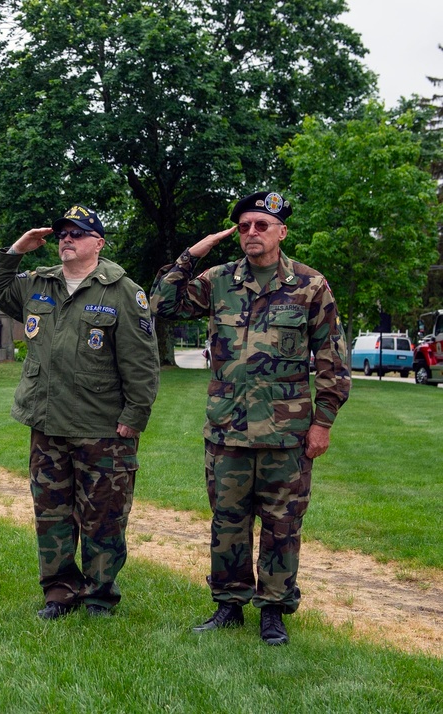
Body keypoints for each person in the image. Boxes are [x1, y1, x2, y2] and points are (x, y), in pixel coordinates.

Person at [149, 191, 351, 645]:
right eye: (244, 227)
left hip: (288, 435)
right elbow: (159, 305)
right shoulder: (218, 280)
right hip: (227, 432)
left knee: (283, 526)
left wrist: (324, 421)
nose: (251, 233)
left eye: (261, 225)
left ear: (281, 231)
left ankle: (274, 610)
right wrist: (193, 251)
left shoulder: (310, 284)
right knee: (228, 522)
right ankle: (229, 605)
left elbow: (332, 359)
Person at [0, 205, 160, 619]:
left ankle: (99, 595)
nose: (66, 239)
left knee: (104, 517)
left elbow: (142, 363)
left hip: (100, 425)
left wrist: (134, 417)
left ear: (98, 243)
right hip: (47, 423)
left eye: (77, 233)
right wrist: (16, 250)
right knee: (52, 515)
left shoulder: (121, 291)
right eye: (62, 233)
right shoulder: (38, 284)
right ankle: (59, 592)